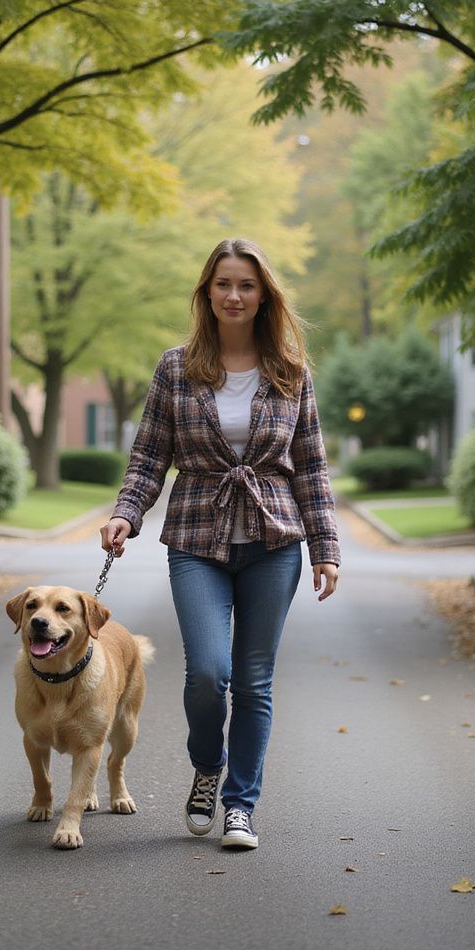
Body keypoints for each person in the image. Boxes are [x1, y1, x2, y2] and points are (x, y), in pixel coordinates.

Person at [100, 237, 340, 851]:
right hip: (196, 539)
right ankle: (208, 766)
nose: (234, 295)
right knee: (207, 674)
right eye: (223, 284)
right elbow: (150, 454)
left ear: (265, 296)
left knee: (253, 681)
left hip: (274, 539)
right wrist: (127, 514)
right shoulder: (175, 367)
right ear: (207, 292)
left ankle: (240, 805)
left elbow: (310, 465)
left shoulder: (291, 372)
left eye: (247, 285)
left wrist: (325, 547)